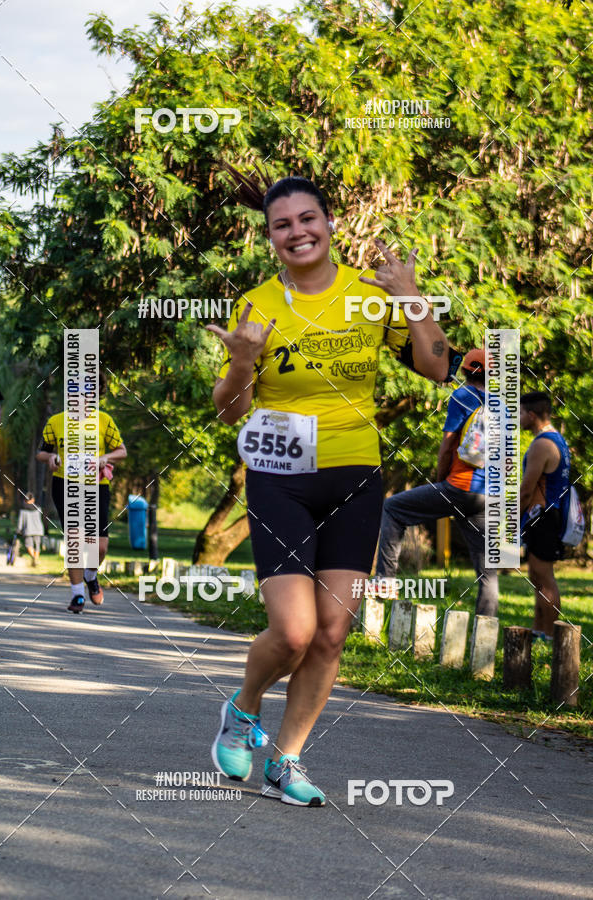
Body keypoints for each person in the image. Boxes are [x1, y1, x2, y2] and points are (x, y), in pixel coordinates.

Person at [206, 166, 450, 806]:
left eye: (307, 219)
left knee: (332, 633)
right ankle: (243, 708)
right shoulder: (257, 304)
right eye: (281, 224)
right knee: (292, 632)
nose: (297, 232)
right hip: (279, 479)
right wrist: (241, 362)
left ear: (330, 223)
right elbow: (228, 409)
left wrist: (411, 297)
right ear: (270, 238)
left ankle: (287, 761)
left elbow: (436, 366)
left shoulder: (372, 296)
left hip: (354, 477)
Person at [376, 348, 499, 617]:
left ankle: (385, 581)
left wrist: (440, 481)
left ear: (465, 370)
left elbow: (447, 447)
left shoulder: (463, 396)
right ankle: (485, 634)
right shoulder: (501, 404)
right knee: (487, 574)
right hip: (488, 495)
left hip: (460, 486)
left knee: (393, 509)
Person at [36, 372, 127, 613]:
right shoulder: (56, 421)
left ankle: (90, 574)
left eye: (89, 392)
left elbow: (122, 450)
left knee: (100, 547)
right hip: (65, 484)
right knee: (75, 539)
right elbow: (41, 453)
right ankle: (77, 595)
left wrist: (105, 456)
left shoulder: (104, 420)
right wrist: (52, 457)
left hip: (96, 487)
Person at [520, 391, 570, 641]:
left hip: (544, 517)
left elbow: (527, 488)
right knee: (536, 576)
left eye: (519, 413)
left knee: (544, 577)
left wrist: (512, 517)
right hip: (545, 516)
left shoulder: (542, 444)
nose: (518, 419)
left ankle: (551, 633)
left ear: (531, 414)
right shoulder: (557, 439)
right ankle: (539, 628)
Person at [16, 492, 45, 567]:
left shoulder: (23, 510)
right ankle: (36, 559)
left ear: (25, 500)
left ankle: (33, 557)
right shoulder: (38, 508)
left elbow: (20, 521)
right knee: (37, 545)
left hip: (28, 530)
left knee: (29, 545)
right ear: (33, 499)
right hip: (38, 530)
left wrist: (18, 530)